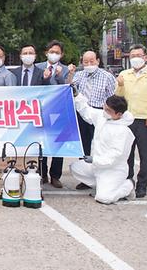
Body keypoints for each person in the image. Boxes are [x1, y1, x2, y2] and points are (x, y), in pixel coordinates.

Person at [115, 45, 147, 199]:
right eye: (132, 56)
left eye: (138, 55)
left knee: (145, 155)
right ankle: (127, 183)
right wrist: (120, 85)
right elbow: (118, 97)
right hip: (127, 121)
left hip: (146, 120)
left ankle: (142, 186)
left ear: (145, 57)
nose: (135, 58)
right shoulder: (124, 74)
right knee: (126, 154)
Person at [70, 93, 135, 204]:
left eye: (108, 110)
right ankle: (102, 185)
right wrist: (77, 96)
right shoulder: (103, 117)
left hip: (113, 170)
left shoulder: (123, 132)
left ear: (119, 114)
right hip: (97, 166)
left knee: (104, 198)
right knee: (75, 167)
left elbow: (115, 156)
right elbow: (86, 111)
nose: (104, 111)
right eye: (104, 107)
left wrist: (95, 160)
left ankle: (128, 185)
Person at [66, 51, 117, 190]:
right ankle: (86, 178)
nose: (89, 64)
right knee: (84, 145)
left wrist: (110, 116)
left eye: (92, 61)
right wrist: (70, 74)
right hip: (82, 113)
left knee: (100, 145)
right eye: (85, 62)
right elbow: (69, 88)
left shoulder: (107, 77)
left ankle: (101, 176)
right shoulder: (79, 75)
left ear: (98, 61)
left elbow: (112, 97)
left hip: (100, 114)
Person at [36, 40, 69, 188]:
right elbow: (36, 86)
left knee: (58, 144)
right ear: (46, 53)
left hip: (59, 111)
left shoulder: (66, 69)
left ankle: (55, 176)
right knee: (41, 143)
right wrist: (45, 77)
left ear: (61, 54)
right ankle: (42, 174)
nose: (54, 54)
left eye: (57, 52)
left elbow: (67, 88)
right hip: (42, 110)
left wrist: (60, 76)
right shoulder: (38, 67)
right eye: (51, 52)